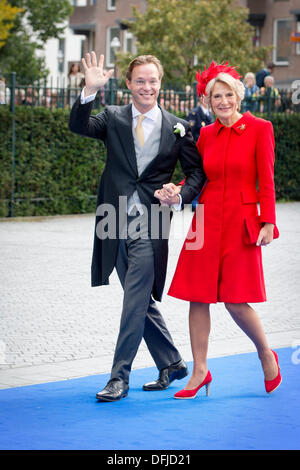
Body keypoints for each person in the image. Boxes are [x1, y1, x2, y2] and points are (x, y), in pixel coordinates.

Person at [69, 52, 206, 402]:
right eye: (140, 80)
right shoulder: (112, 118)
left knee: (134, 298)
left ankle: (119, 377)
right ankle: (172, 362)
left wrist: (178, 194)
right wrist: (89, 90)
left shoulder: (178, 126)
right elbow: (78, 126)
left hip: (153, 222)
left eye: (153, 80)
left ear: (160, 84)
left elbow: (196, 175)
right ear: (129, 84)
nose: (147, 86)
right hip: (113, 221)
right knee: (139, 298)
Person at [162, 60, 282, 399]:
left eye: (229, 94)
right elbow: (198, 178)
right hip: (206, 221)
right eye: (217, 96)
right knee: (197, 296)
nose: (224, 101)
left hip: (242, 223)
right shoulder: (206, 134)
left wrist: (269, 221)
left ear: (239, 96)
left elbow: (267, 180)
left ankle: (264, 353)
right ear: (208, 101)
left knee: (236, 301)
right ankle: (200, 370)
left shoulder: (261, 128)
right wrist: (177, 191)